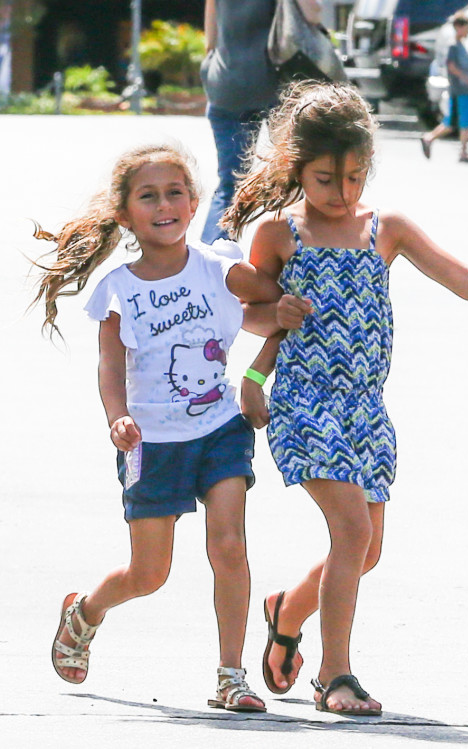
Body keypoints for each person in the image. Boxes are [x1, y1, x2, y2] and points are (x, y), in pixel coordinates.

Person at [221, 80, 468, 715]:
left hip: (366, 410)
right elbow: (247, 312)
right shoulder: (279, 233)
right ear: (297, 168)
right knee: (350, 532)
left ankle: (286, 611)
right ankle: (335, 676)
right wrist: (274, 318)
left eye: (353, 178)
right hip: (303, 403)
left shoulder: (385, 229)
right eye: (325, 179)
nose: (341, 193)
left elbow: (463, 278)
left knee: (367, 550)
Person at [30, 142, 284, 712]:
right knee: (150, 573)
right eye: (149, 196)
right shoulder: (118, 289)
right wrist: (116, 416)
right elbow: (109, 365)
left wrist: (255, 369)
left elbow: (274, 307)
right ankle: (86, 612)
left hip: (220, 428)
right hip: (150, 443)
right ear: (125, 214)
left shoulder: (219, 268)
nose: (164, 205)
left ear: (193, 203)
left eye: (175, 193)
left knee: (229, 546)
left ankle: (230, 675)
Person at [200, 0, 323, 244]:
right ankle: (296, 250)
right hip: (276, 84)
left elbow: (210, 42)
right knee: (293, 176)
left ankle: (212, 255)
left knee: (230, 183)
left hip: (226, 83)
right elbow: (313, 14)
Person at [421, 11, 468, 163]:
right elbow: (451, 66)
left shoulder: (460, 45)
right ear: (459, 27)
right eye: (466, 28)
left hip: (465, 90)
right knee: (458, 121)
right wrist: (467, 79)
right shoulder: (453, 46)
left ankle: (461, 150)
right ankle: (459, 150)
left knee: (459, 121)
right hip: (459, 90)